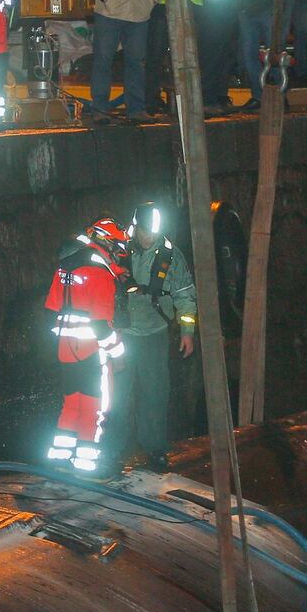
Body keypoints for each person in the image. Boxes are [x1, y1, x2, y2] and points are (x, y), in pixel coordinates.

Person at [43, 218, 132, 477]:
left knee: (71, 406)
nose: (118, 255)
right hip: (93, 354)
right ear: (107, 243)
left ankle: (60, 461)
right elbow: (102, 326)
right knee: (95, 410)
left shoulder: (65, 267)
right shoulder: (101, 275)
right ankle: (87, 466)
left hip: (65, 351)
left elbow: (50, 311)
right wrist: (118, 354)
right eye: (116, 249)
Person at [113, 200, 197, 472]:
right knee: (114, 394)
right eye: (143, 230)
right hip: (121, 335)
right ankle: (110, 450)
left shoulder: (172, 256)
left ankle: (155, 448)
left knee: (155, 393)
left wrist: (187, 332)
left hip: (154, 334)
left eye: (152, 231)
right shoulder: (117, 250)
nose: (148, 237)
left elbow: (185, 295)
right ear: (134, 227)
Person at [83, 0, 160, 121]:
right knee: (104, 60)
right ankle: (101, 109)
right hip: (110, 11)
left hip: (137, 11)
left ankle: (135, 109)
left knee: (136, 62)